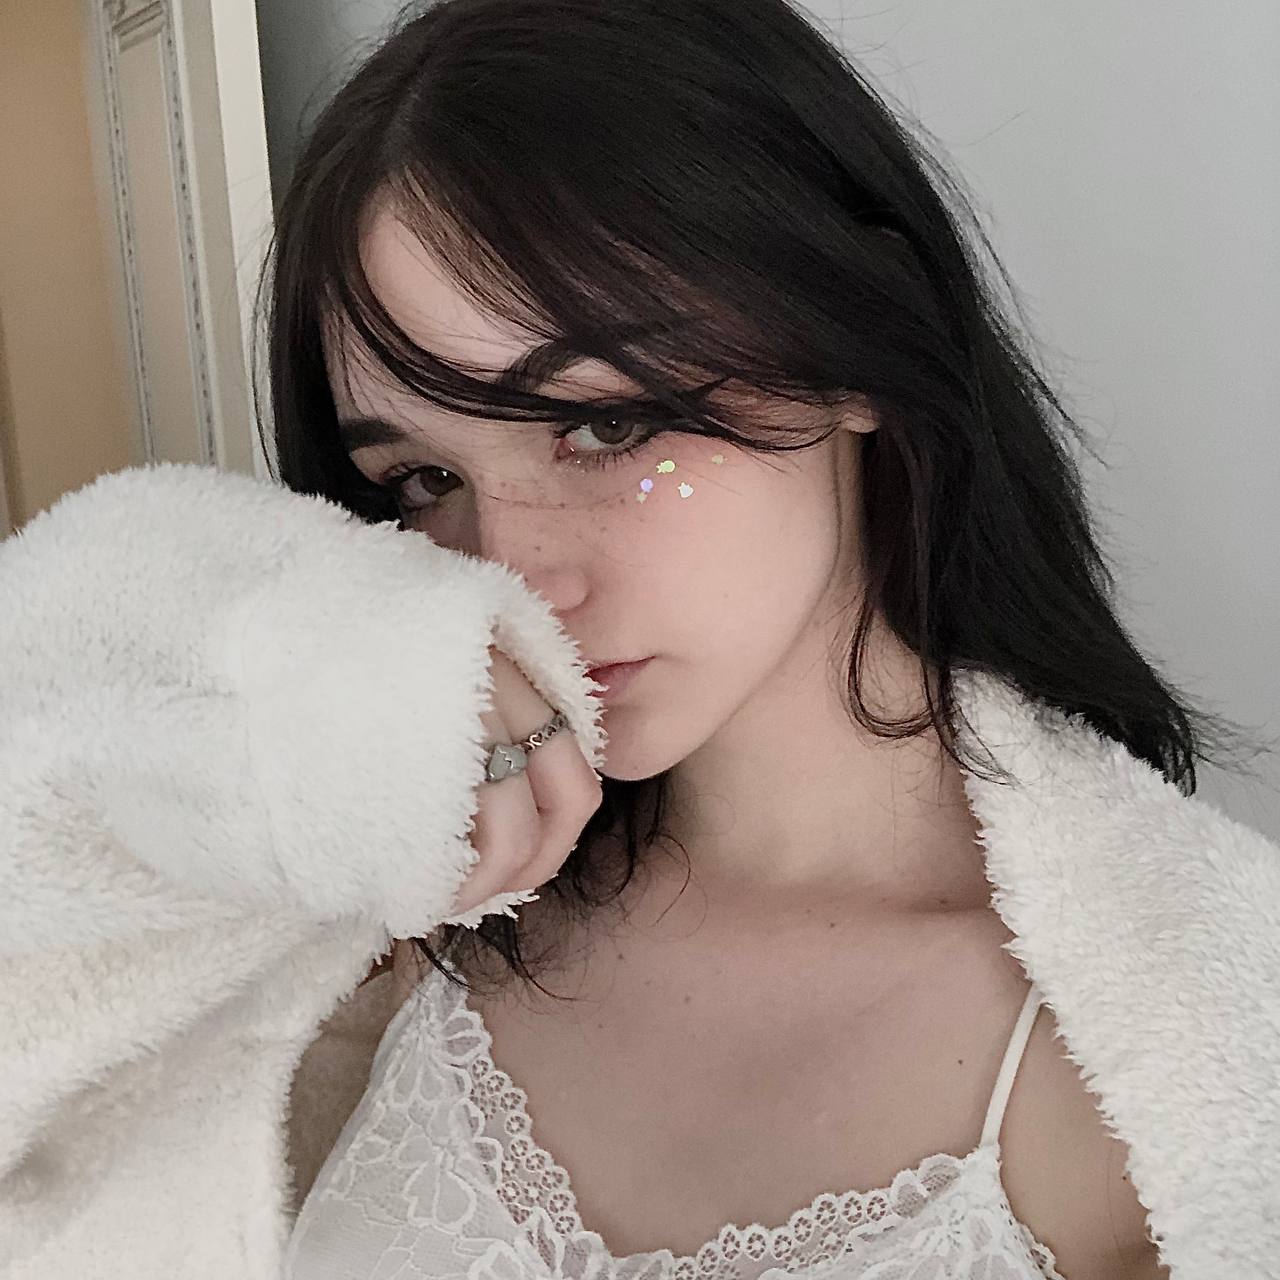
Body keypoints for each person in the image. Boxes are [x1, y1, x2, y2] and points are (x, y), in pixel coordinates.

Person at [1, 1, 1275, 1278]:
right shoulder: (424, 901)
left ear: (853, 348)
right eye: (427, 480)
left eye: (605, 426)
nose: (512, 576)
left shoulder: (1165, 1064)